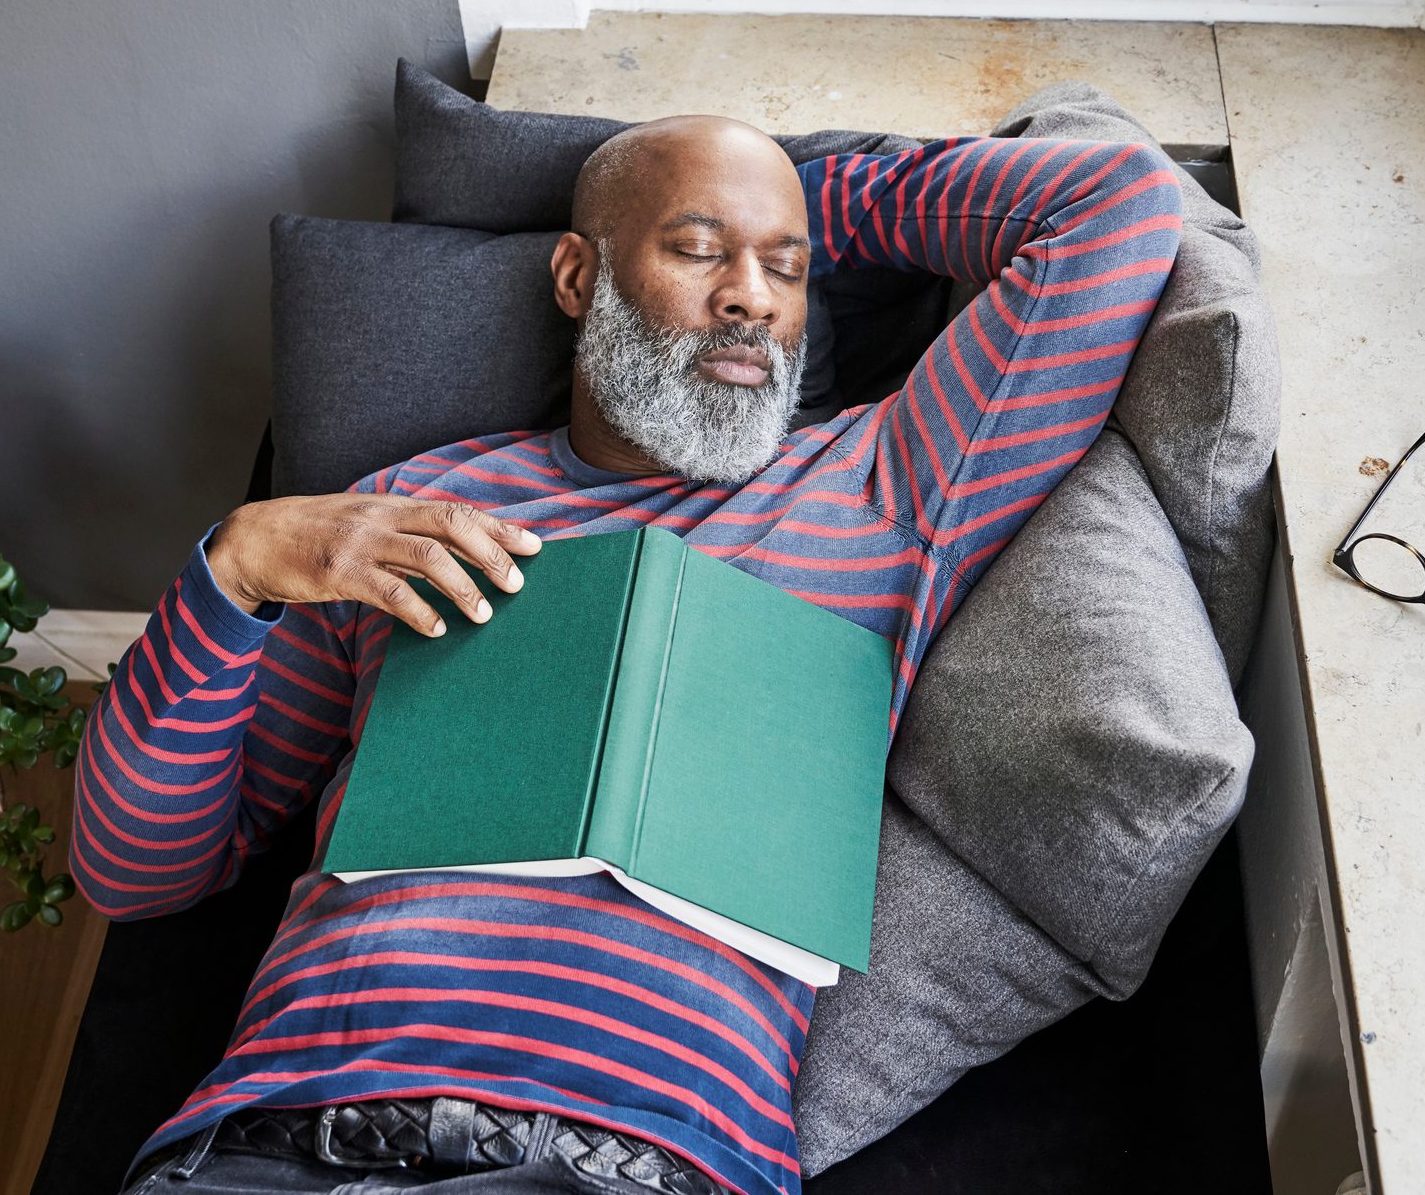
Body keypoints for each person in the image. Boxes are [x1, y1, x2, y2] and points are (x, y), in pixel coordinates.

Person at [78, 115, 1186, 1195]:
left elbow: (1114, 208)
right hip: (287, 1139)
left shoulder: (885, 487)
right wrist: (233, 571)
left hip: (640, 1161)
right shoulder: (402, 510)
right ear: (578, 279)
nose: (751, 295)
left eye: (787, 270)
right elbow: (137, 871)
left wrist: (808, 190)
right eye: (698, 249)